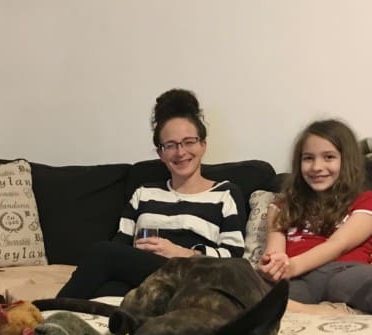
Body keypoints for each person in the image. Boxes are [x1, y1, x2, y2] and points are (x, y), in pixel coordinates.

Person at [58, 88, 245, 298]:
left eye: (189, 142)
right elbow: (121, 245)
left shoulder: (224, 194)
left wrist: (181, 253)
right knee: (107, 290)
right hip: (145, 277)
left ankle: (42, 316)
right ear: (161, 153)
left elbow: (235, 261)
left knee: (101, 252)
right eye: (171, 145)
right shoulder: (144, 193)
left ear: (203, 145)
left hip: (192, 279)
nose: (181, 152)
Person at [258, 119, 372, 318]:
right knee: (240, 292)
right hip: (297, 281)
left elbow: (338, 244)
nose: (317, 166)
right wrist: (273, 265)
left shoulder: (369, 200)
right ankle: (320, 312)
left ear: (346, 160)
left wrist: (293, 265)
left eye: (329, 157)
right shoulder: (281, 206)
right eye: (308, 158)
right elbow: (274, 251)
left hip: (344, 273)